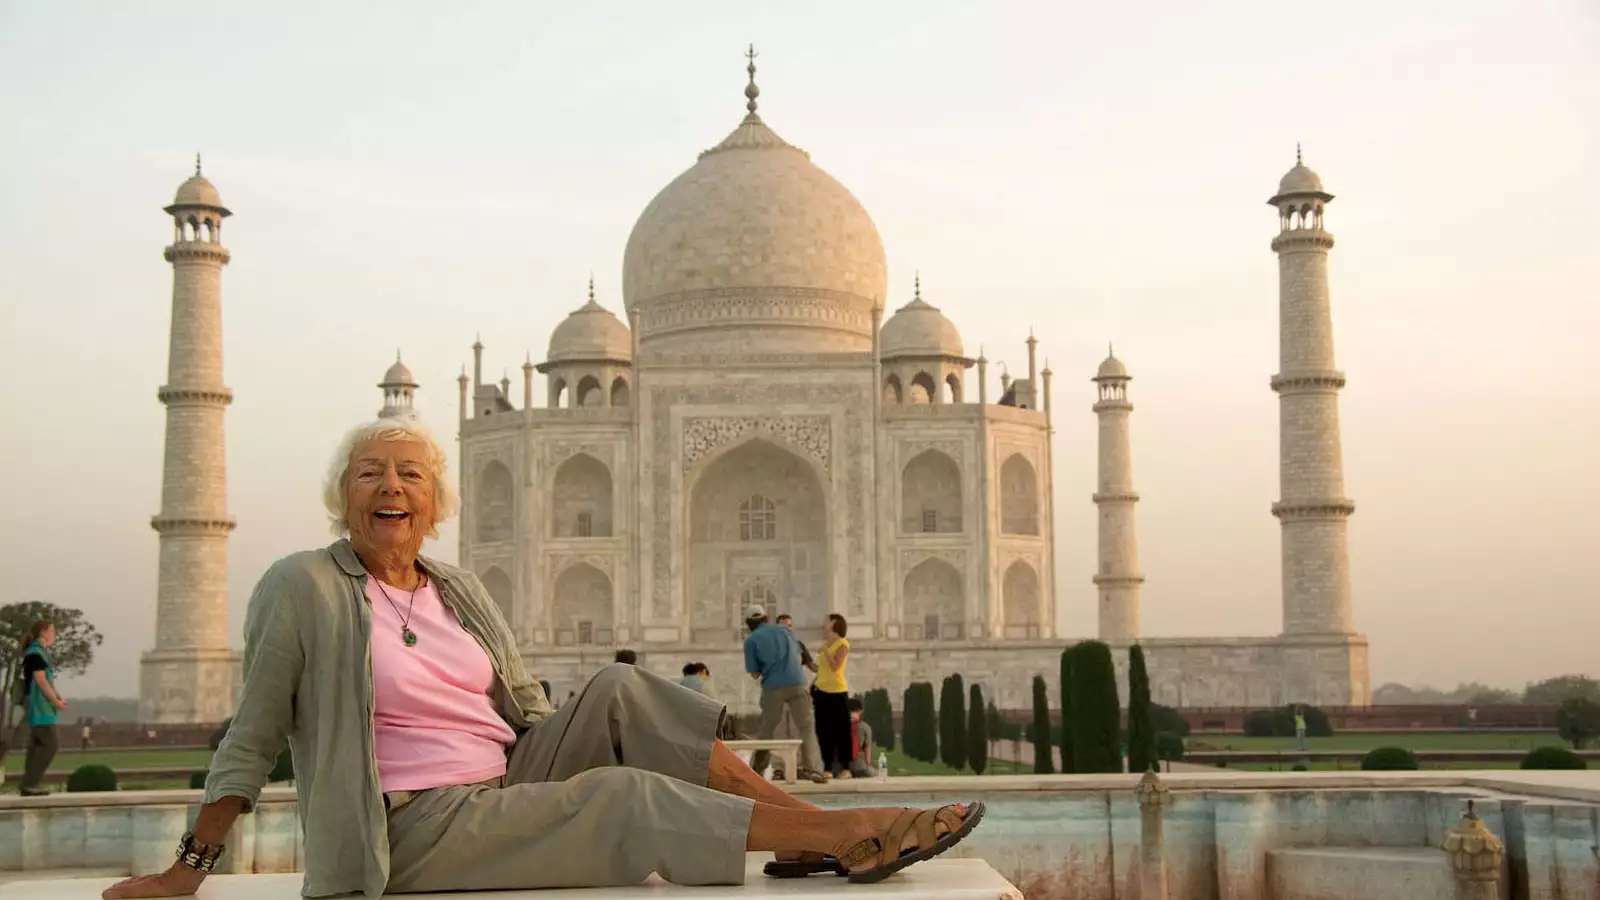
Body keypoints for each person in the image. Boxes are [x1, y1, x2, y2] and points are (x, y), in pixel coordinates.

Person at [102, 419, 982, 898]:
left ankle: (811, 838)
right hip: (410, 827)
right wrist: (193, 865)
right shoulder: (304, 587)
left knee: (620, 688)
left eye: (410, 474)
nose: (392, 487)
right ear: (343, 496)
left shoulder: (455, 586)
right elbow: (254, 734)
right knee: (623, 798)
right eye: (371, 472)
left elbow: (525, 705)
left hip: (504, 779)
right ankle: (850, 833)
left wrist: (592, 731)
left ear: (435, 501)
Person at [743, 606, 828, 784]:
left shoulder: (751, 641)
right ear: (766, 618)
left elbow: (755, 673)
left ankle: (756, 772)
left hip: (774, 687)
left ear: (749, 623)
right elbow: (797, 655)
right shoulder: (784, 630)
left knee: (767, 729)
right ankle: (814, 769)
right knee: (806, 727)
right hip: (798, 682)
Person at [17, 620, 67, 796]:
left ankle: (29, 785)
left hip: (41, 706)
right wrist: (55, 701)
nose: (54, 634)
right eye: (52, 631)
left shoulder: (40, 653)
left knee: (37, 746)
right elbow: (40, 681)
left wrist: (58, 697)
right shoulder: (35, 653)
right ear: (43, 632)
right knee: (50, 745)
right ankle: (30, 783)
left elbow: (47, 680)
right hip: (40, 707)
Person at [812, 614, 853, 778]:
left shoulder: (843, 644)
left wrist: (826, 651)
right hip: (821, 692)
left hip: (837, 693)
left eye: (828, 621)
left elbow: (836, 666)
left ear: (835, 624)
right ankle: (827, 767)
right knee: (823, 731)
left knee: (841, 731)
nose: (825, 623)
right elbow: (820, 669)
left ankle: (845, 768)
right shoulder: (826, 645)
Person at [847, 696, 876, 779]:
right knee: (874, 772)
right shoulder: (865, 727)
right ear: (860, 711)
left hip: (838, 767)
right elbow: (867, 748)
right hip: (859, 766)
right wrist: (868, 764)